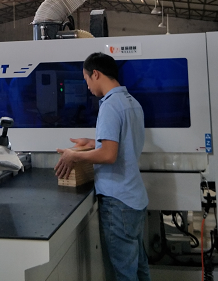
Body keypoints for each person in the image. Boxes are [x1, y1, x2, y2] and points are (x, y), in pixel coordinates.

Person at [54, 52, 150, 281]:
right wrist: (91, 143)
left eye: (86, 79)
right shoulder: (131, 102)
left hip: (118, 202)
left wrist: (73, 156)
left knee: (122, 274)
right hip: (135, 198)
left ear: (95, 74)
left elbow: (108, 155)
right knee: (139, 267)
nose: (87, 85)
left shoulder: (109, 105)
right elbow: (121, 143)